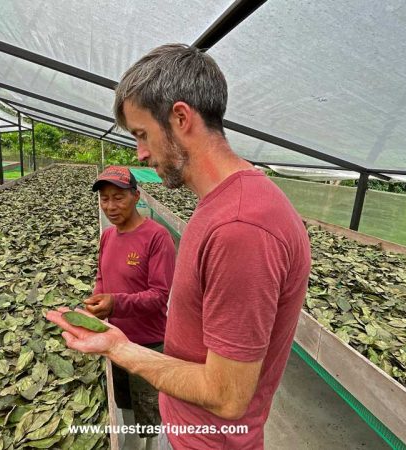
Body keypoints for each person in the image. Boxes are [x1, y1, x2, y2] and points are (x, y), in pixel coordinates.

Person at [47, 44, 311, 449]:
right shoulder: (220, 204)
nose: (141, 153)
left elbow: (227, 396)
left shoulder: (241, 228)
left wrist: (120, 348)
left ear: (181, 118)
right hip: (183, 425)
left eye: (142, 134)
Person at [86, 165, 176, 447]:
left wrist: (115, 303)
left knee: (148, 413)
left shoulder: (157, 237)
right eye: (104, 199)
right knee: (124, 403)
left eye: (118, 197)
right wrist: (96, 303)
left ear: (136, 196)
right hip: (115, 340)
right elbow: (102, 277)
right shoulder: (107, 236)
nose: (110, 206)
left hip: (147, 344)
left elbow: (159, 296)